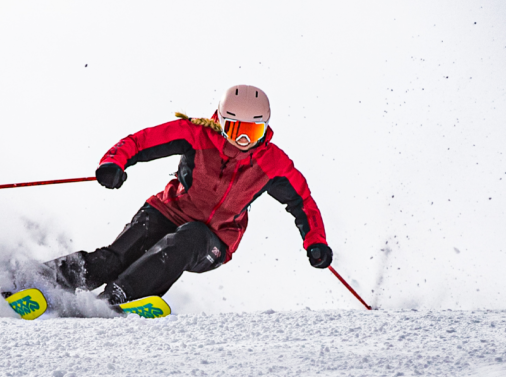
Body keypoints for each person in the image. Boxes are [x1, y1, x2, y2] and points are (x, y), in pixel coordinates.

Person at [42, 84, 332, 310]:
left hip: (214, 238)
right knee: (114, 259)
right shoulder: (196, 134)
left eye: (252, 132)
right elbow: (142, 141)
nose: (243, 141)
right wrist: (114, 163)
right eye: (236, 130)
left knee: (189, 237)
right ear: (221, 121)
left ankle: (116, 298)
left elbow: (302, 202)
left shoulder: (272, 163)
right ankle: (40, 281)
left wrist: (315, 241)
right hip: (167, 211)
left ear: (265, 128)